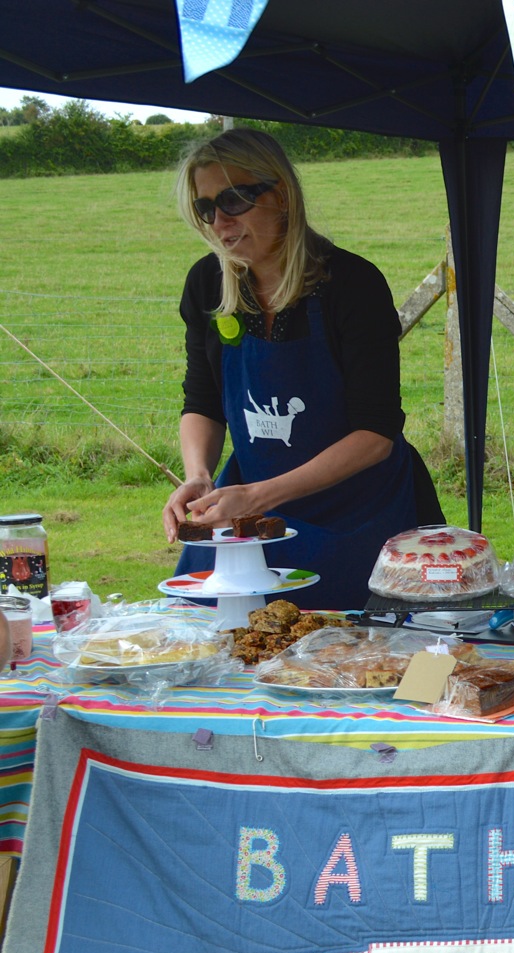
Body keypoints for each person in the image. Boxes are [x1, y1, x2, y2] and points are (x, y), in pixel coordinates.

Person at [162, 129, 442, 609]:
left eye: (233, 200)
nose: (220, 221)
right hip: (250, 517)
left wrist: (258, 497)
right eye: (206, 208)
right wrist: (200, 476)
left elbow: (376, 433)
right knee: (223, 636)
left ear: (282, 195)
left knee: (355, 642)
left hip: (361, 515)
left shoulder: (351, 284)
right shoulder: (207, 282)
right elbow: (203, 403)